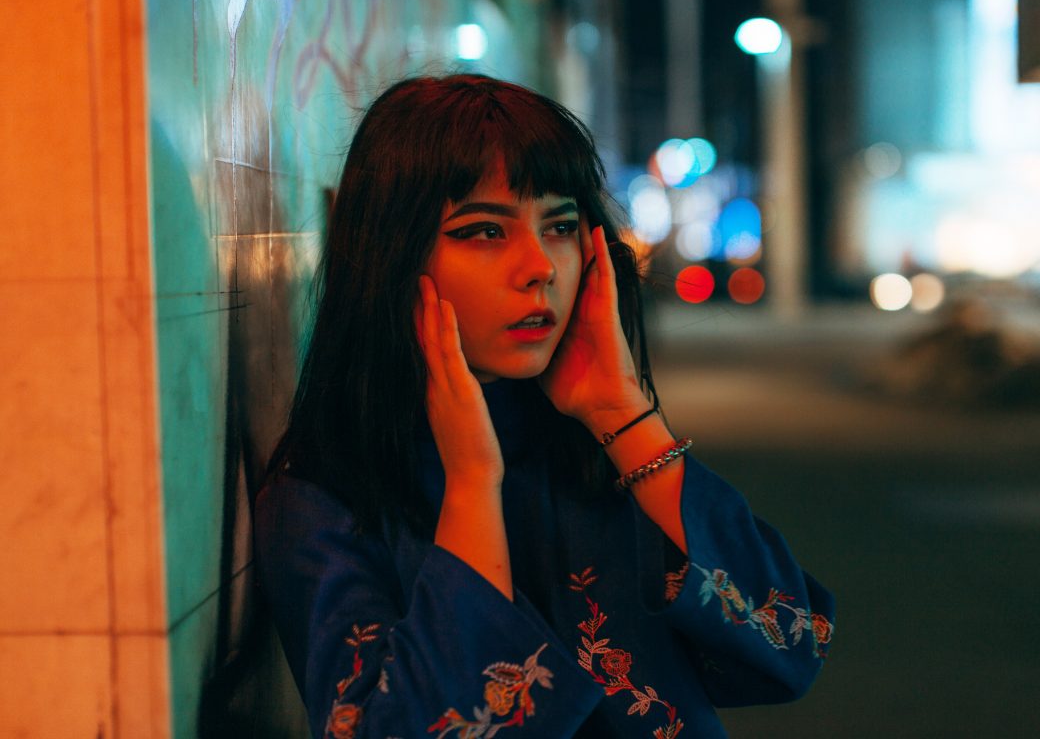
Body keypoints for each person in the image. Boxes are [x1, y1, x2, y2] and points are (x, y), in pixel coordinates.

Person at [254, 73, 835, 739]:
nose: (540, 265)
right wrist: (472, 483)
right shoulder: (327, 491)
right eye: (483, 232)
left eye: (560, 225)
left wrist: (623, 415)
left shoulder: (593, 446)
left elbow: (789, 646)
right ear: (390, 258)